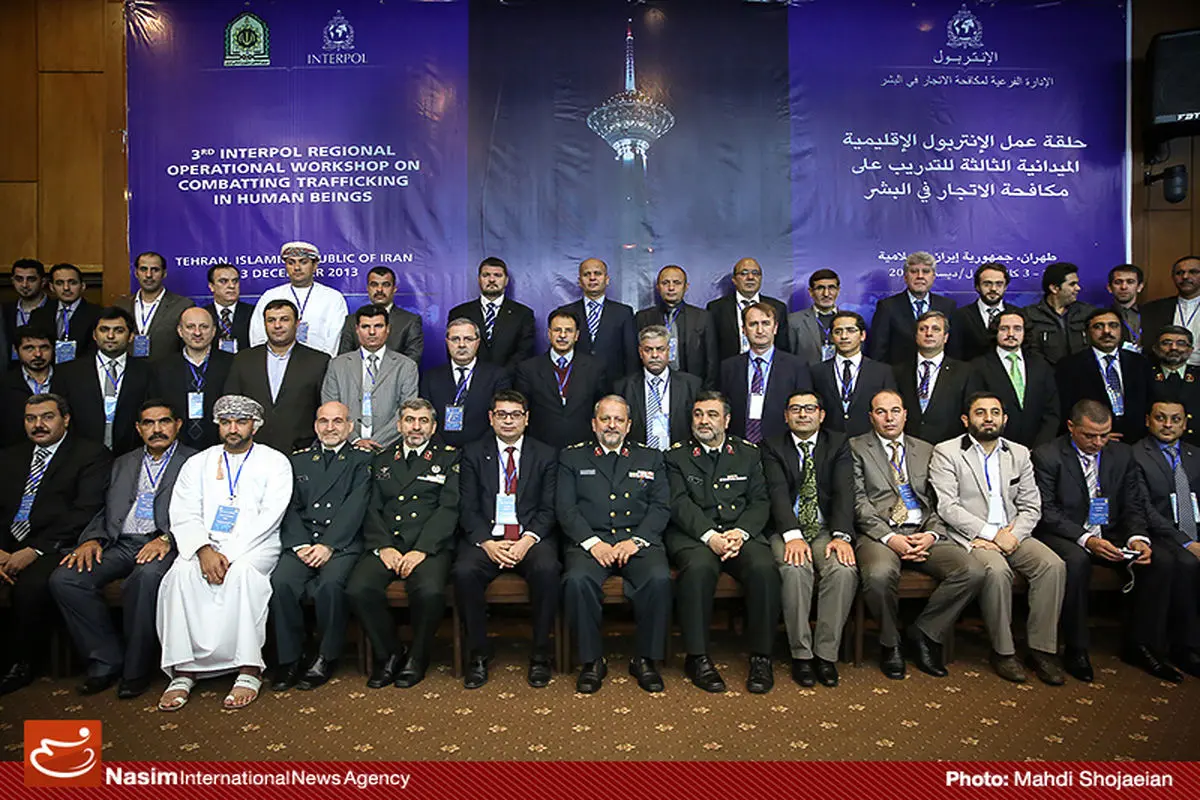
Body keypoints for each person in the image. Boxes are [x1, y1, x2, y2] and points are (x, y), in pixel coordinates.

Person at [49, 400, 194, 699]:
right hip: (119, 542)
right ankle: (106, 660)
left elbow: (201, 511)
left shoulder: (195, 461)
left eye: (164, 422)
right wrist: (92, 539)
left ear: (178, 425)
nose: (157, 429)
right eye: (148, 423)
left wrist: (168, 539)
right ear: (138, 429)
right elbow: (104, 508)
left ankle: (135, 670)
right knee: (66, 579)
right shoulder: (123, 462)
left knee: (144, 579)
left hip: (164, 543)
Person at [155, 395, 292, 711]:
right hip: (203, 545)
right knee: (180, 575)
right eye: (226, 422)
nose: (233, 429)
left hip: (256, 546)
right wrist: (203, 549)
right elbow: (184, 512)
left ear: (255, 426)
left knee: (242, 574)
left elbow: (270, 516)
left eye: (241, 422)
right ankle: (184, 670)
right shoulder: (198, 463)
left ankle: (248, 668)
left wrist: (227, 553)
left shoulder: (275, 462)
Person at [928, 392, 1067, 685]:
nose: (988, 418)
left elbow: (1031, 506)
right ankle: (1003, 651)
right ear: (966, 419)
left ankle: (1042, 650)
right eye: (980, 413)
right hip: (973, 536)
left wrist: (1011, 536)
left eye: (995, 412)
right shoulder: (947, 452)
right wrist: (992, 535)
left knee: (1053, 566)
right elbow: (948, 507)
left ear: (1005, 418)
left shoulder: (1019, 453)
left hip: (1014, 533)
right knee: (997, 571)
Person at [1032, 400, 1172, 682]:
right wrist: (1086, 539)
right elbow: (1047, 512)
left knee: (1160, 561)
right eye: (1090, 436)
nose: (1098, 443)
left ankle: (1141, 644)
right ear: (1071, 427)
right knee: (1077, 562)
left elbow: (1133, 504)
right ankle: (1076, 648)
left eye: (1104, 435)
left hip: (1110, 532)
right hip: (1065, 533)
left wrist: (1137, 538)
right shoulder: (1048, 455)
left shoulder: (1122, 455)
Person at [851, 390, 985, 680]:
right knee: (878, 574)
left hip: (922, 531)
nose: (889, 418)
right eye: (881, 412)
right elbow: (858, 503)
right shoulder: (855, 448)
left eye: (895, 411)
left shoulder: (926, 450)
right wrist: (890, 538)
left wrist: (932, 535)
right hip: (879, 534)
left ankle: (924, 632)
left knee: (972, 571)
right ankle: (890, 643)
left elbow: (939, 502)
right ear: (871, 417)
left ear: (905, 414)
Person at [665, 392, 779, 694]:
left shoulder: (748, 453)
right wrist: (710, 536)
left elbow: (760, 501)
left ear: (727, 420)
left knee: (764, 568)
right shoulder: (675, 456)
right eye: (698, 414)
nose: (704, 421)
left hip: (739, 532)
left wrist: (740, 533)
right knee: (699, 569)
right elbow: (678, 503)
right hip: (694, 534)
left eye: (712, 414)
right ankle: (697, 657)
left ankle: (761, 657)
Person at [558, 395, 671, 694]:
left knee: (659, 579)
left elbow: (661, 507)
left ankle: (645, 659)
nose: (612, 425)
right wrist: (593, 544)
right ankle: (592, 661)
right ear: (593, 423)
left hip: (638, 542)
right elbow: (566, 509)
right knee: (577, 581)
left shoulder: (651, 457)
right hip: (591, 542)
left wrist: (636, 541)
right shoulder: (572, 457)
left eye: (619, 419)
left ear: (629, 425)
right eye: (605, 419)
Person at [0, 394, 111, 695]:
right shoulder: (9, 456)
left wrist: (33, 549)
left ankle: (21, 663)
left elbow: (84, 510)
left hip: (57, 544)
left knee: (31, 585)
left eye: (47, 417)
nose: (38, 425)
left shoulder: (90, 454)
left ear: (66, 419)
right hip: (7, 545)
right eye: (31, 419)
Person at [347, 399, 459, 690]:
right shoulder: (382, 459)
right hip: (388, 543)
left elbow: (449, 509)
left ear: (433, 427)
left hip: (428, 545)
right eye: (409, 420)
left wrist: (421, 549)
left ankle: (417, 658)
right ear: (399, 425)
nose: (416, 427)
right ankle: (390, 653)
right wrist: (383, 546)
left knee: (430, 591)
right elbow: (371, 507)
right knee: (358, 589)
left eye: (423, 421)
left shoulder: (449, 458)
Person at [454, 390, 560, 689]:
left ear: (526, 419)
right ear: (491, 418)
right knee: (464, 572)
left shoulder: (546, 454)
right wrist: (487, 543)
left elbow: (549, 508)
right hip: (488, 538)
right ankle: (478, 654)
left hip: (530, 538)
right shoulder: (473, 453)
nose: (508, 421)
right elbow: (467, 507)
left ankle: (540, 654)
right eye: (502, 414)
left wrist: (527, 540)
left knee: (548, 569)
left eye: (515, 415)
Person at [269, 401, 371, 692]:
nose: (330, 427)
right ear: (315, 426)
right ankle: (290, 657)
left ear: (350, 427)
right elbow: (288, 507)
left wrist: (328, 545)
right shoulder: (297, 461)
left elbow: (356, 507)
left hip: (342, 542)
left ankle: (326, 656)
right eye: (324, 421)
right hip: (303, 541)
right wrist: (300, 544)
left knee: (330, 586)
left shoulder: (362, 461)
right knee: (282, 582)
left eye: (338, 421)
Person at [761, 392, 858, 688]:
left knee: (843, 569)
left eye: (809, 408)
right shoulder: (771, 446)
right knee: (794, 568)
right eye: (795, 409)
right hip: (785, 529)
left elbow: (844, 492)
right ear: (786, 416)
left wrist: (841, 536)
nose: (803, 414)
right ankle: (801, 654)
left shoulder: (838, 443)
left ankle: (825, 654)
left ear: (821, 414)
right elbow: (777, 493)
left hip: (826, 528)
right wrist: (792, 536)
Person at [1131, 399, 1200, 677]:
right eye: (1161, 418)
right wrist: (1186, 541)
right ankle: (1180, 646)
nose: (1168, 425)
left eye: (1175, 419)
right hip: (1158, 532)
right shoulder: (1136, 454)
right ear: (1148, 420)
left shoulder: (1196, 455)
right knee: (1184, 562)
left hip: (1193, 532)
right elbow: (1144, 508)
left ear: (1185, 424)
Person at [225, 299, 330, 454]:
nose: (277, 325)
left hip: (302, 451)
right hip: (252, 450)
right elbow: (231, 404)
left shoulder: (319, 361)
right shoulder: (243, 360)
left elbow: (324, 409)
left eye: (284, 319)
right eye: (271, 320)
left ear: (297, 323)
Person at [322, 304, 418, 452]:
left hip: (389, 448)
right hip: (347, 447)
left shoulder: (406, 366)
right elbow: (330, 408)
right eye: (365, 326)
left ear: (388, 329)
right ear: (357, 329)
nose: (372, 332)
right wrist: (355, 440)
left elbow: (406, 412)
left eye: (378, 326)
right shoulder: (337, 365)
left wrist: (375, 442)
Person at [56, 307, 151, 454]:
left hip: (132, 454)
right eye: (104, 330)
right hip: (81, 455)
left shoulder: (147, 372)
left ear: (131, 336)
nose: (110, 336)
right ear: (94, 335)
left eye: (119, 331)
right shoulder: (69, 372)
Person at [1055, 308, 1154, 443]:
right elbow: (1066, 409)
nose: (1107, 331)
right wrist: (1099, 435)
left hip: (1138, 441)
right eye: (1098, 327)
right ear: (1087, 332)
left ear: (1121, 330)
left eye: (1113, 325)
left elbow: (1149, 402)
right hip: (1092, 441)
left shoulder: (1140, 362)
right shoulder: (1069, 366)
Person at [964, 309, 1060, 449]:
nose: (1011, 334)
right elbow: (976, 412)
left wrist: (1040, 447)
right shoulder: (977, 367)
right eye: (1004, 329)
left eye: (1017, 329)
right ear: (995, 332)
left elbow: (1052, 411)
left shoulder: (1040, 364)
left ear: (1025, 332)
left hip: (1039, 449)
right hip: (996, 448)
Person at [513, 310, 608, 450]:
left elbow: (601, 409)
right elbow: (522, 411)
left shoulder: (595, 368)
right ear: (549, 333)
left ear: (576, 335)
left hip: (584, 448)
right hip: (541, 449)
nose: (562, 335)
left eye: (568, 331)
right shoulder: (528, 369)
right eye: (557, 330)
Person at [719, 302, 811, 443]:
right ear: (744, 330)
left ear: (775, 328)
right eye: (753, 324)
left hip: (782, 445)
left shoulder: (797, 366)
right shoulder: (728, 367)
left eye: (766, 323)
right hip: (738, 445)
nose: (760, 330)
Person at [149, 307, 235, 450]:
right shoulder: (161, 368)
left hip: (220, 445)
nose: (197, 333)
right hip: (175, 448)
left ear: (214, 331)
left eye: (204, 327)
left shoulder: (232, 364)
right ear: (180, 331)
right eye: (190, 327)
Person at [419, 318, 510, 449]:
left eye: (468, 339)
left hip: (484, 451)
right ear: (447, 342)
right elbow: (425, 417)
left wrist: (477, 449)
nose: (461, 345)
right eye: (455, 339)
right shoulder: (430, 377)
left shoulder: (497, 376)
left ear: (478, 342)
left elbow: (500, 417)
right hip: (440, 451)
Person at [250, 242, 348, 357]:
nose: (296, 268)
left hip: (319, 363)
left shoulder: (333, 297)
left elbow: (334, 339)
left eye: (303, 262)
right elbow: (258, 336)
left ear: (315, 266)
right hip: (275, 361)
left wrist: (322, 362)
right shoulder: (270, 296)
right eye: (291, 263)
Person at [614, 325, 701, 449]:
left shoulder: (691, 385)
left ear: (668, 351)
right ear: (640, 352)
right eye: (648, 350)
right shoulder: (623, 387)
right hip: (638, 455)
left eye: (660, 349)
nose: (654, 355)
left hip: (680, 455)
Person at [810, 311, 895, 437]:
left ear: (862, 335)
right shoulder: (817, 372)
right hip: (828, 441)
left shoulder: (882, 371)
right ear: (832, 337)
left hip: (868, 441)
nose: (844, 336)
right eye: (838, 332)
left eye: (851, 330)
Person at [635, 265, 719, 388]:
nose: (671, 288)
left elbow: (712, 360)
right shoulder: (643, 317)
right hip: (653, 385)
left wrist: (706, 391)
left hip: (692, 386)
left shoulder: (702, 317)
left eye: (677, 283)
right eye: (665, 283)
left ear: (686, 287)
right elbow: (636, 359)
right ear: (658, 287)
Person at [867, 251, 956, 367]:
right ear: (905, 277)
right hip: (897, 374)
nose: (920, 276)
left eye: (926, 271)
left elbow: (953, 348)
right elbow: (878, 350)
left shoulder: (948, 305)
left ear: (933, 277)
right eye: (914, 271)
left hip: (939, 374)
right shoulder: (887, 306)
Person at [555, 258, 638, 383]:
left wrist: (629, 387)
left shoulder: (623, 312)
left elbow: (631, 355)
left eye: (597, 273)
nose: (592, 278)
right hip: (575, 383)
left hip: (614, 384)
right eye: (587, 274)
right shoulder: (566, 312)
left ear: (607, 279)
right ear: (580, 281)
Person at [894, 311, 970, 446]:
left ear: (945, 337)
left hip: (949, 447)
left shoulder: (965, 371)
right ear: (916, 336)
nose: (929, 333)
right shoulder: (898, 371)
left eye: (936, 329)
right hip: (908, 447)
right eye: (923, 329)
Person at [446, 257, 535, 369]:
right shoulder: (459, 313)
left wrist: (501, 376)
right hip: (471, 377)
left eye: (497, 275)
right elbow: (454, 350)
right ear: (479, 279)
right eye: (486, 275)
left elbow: (524, 352)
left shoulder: (523, 314)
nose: (492, 280)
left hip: (510, 378)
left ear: (506, 280)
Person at [706, 257, 789, 362]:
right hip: (730, 368)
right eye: (744, 273)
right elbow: (711, 348)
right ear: (734, 280)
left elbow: (783, 346)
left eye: (755, 273)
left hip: (767, 368)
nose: (750, 277)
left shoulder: (778, 307)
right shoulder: (716, 308)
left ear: (760, 278)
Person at [115, 251, 194, 360]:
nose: (148, 275)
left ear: (164, 273)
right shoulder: (121, 305)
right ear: (136, 273)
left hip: (167, 368)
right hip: (129, 368)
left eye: (155, 270)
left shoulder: (183, 306)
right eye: (143, 269)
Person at [336, 267, 423, 363]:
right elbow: (344, 360)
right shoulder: (351, 321)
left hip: (397, 373)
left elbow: (411, 362)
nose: (379, 289)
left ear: (394, 289)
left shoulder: (410, 321)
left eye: (386, 285)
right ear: (368, 288)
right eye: (374, 285)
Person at [30, 262, 101, 364]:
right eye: (59, 283)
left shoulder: (97, 314)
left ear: (82, 286)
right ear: (52, 287)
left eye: (72, 283)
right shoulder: (39, 314)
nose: (66, 288)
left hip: (82, 369)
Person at [1025, 262, 1094, 367]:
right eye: (1072, 284)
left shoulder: (1088, 312)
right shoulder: (1030, 315)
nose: (1078, 288)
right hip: (1047, 374)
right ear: (1054, 288)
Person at [949, 262, 1020, 363]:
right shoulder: (960, 316)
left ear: (1005, 287)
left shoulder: (1017, 315)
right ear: (977, 286)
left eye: (999, 284)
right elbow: (955, 355)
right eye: (987, 284)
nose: (993, 289)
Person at [1, 326, 55, 446]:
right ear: (16, 350)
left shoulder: (70, 380)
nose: (38, 354)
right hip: (14, 451)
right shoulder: (4, 384)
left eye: (44, 347)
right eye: (29, 348)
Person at [1141, 255, 1200, 365]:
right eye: (1179, 273)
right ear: (1173, 278)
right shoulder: (1152, 309)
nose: (1185, 277)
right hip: (1162, 371)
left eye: (1193, 272)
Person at [1150, 326, 1200, 446]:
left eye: (1181, 343)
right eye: (1166, 343)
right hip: (1151, 447)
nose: (1174, 347)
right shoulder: (1143, 373)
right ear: (1155, 348)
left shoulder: (1198, 375)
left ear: (1190, 350)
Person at [787, 269, 842, 366]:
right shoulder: (793, 321)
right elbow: (788, 357)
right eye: (820, 288)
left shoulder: (850, 320)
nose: (826, 294)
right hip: (806, 374)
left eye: (831, 288)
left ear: (838, 291)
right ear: (811, 292)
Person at [202, 263, 253, 354]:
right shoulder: (202, 314)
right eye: (223, 281)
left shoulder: (253, 313)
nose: (232, 286)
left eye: (235, 281)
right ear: (211, 286)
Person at [5, 258, 48, 361]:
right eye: (19, 279)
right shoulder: (5, 311)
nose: (24, 285)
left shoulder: (56, 309)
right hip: (11, 367)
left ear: (43, 282)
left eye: (31, 279)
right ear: (12, 281)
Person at [1107, 264, 1146, 351]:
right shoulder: (1102, 316)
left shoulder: (1153, 313)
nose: (1124, 287)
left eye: (1130, 282)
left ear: (1139, 287)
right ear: (1109, 288)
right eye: (1118, 282)